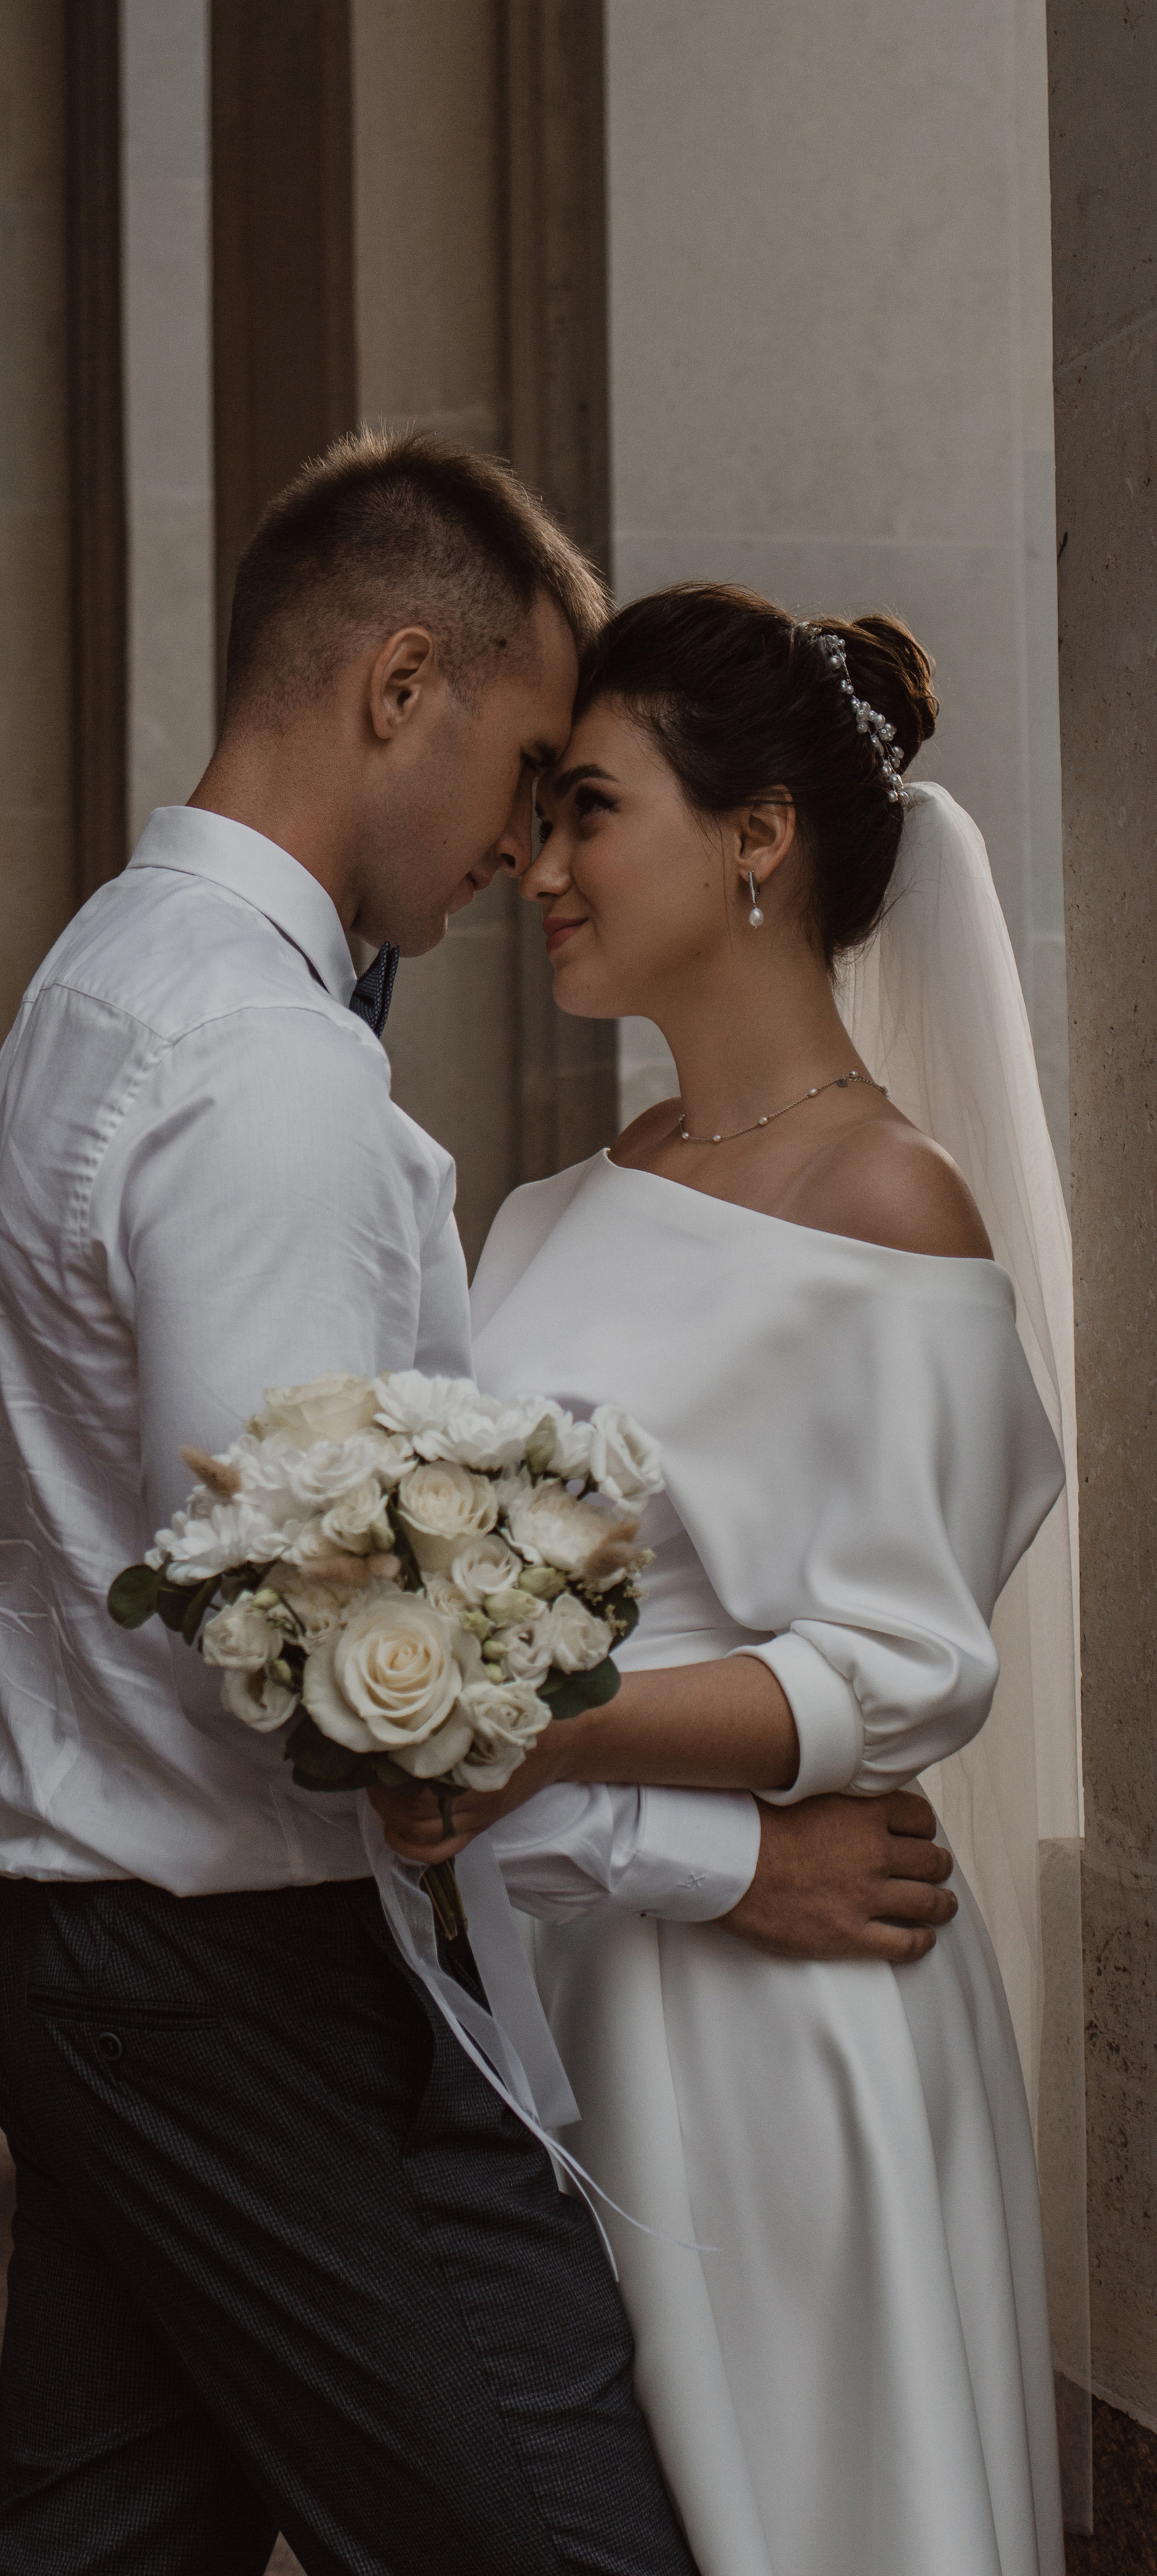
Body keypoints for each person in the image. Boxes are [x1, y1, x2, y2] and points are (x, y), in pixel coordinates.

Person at [0, 448, 958, 2576]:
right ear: (400, 681)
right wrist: (713, 1859)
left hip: (94, 1944)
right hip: (260, 1989)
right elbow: (324, 1675)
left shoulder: (96, 991)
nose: (522, 841)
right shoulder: (268, 1075)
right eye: (521, 766)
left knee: (109, 2547)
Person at [375, 584, 1067, 2576]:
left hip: (782, 2017)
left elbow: (908, 1665)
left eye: (590, 809)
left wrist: (524, 1731)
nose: (536, 863)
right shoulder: (546, 1208)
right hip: (565, 1965)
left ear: (758, 836)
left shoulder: (892, 1205)